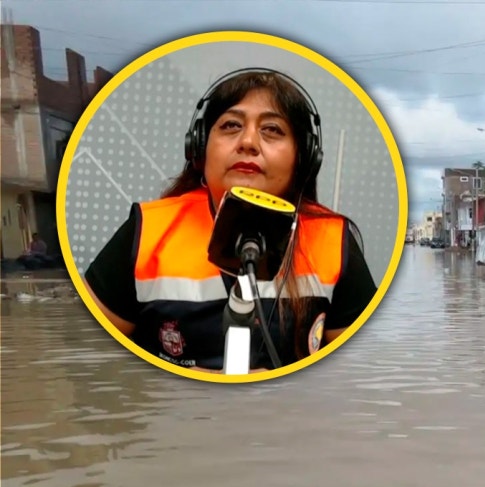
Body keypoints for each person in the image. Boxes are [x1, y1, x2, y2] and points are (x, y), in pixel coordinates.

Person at [83, 68, 378, 373]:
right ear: (199, 146)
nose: (248, 142)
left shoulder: (333, 240)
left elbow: (362, 378)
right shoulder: (148, 229)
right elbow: (86, 359)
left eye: (272, 129)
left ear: (303, 158)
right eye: (231, 125)